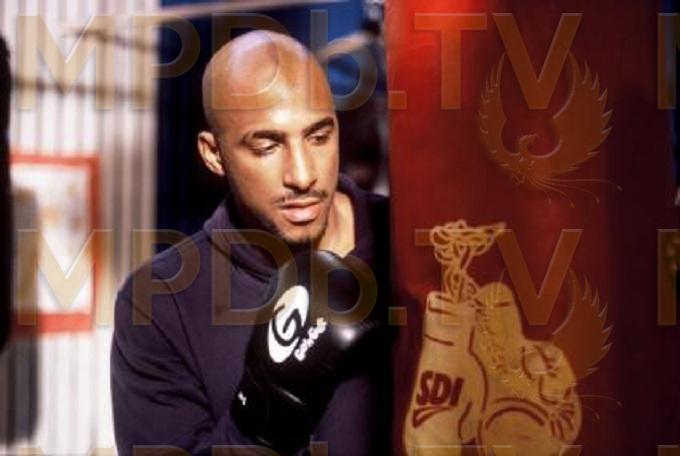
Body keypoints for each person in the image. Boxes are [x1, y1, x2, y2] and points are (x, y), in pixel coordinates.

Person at [111, 31, 391, 455]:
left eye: (318, 137)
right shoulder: (160, 302)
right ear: (213, 154)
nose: (303, 175)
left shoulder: (415, 247)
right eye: (267, 146)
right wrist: (263, 412)